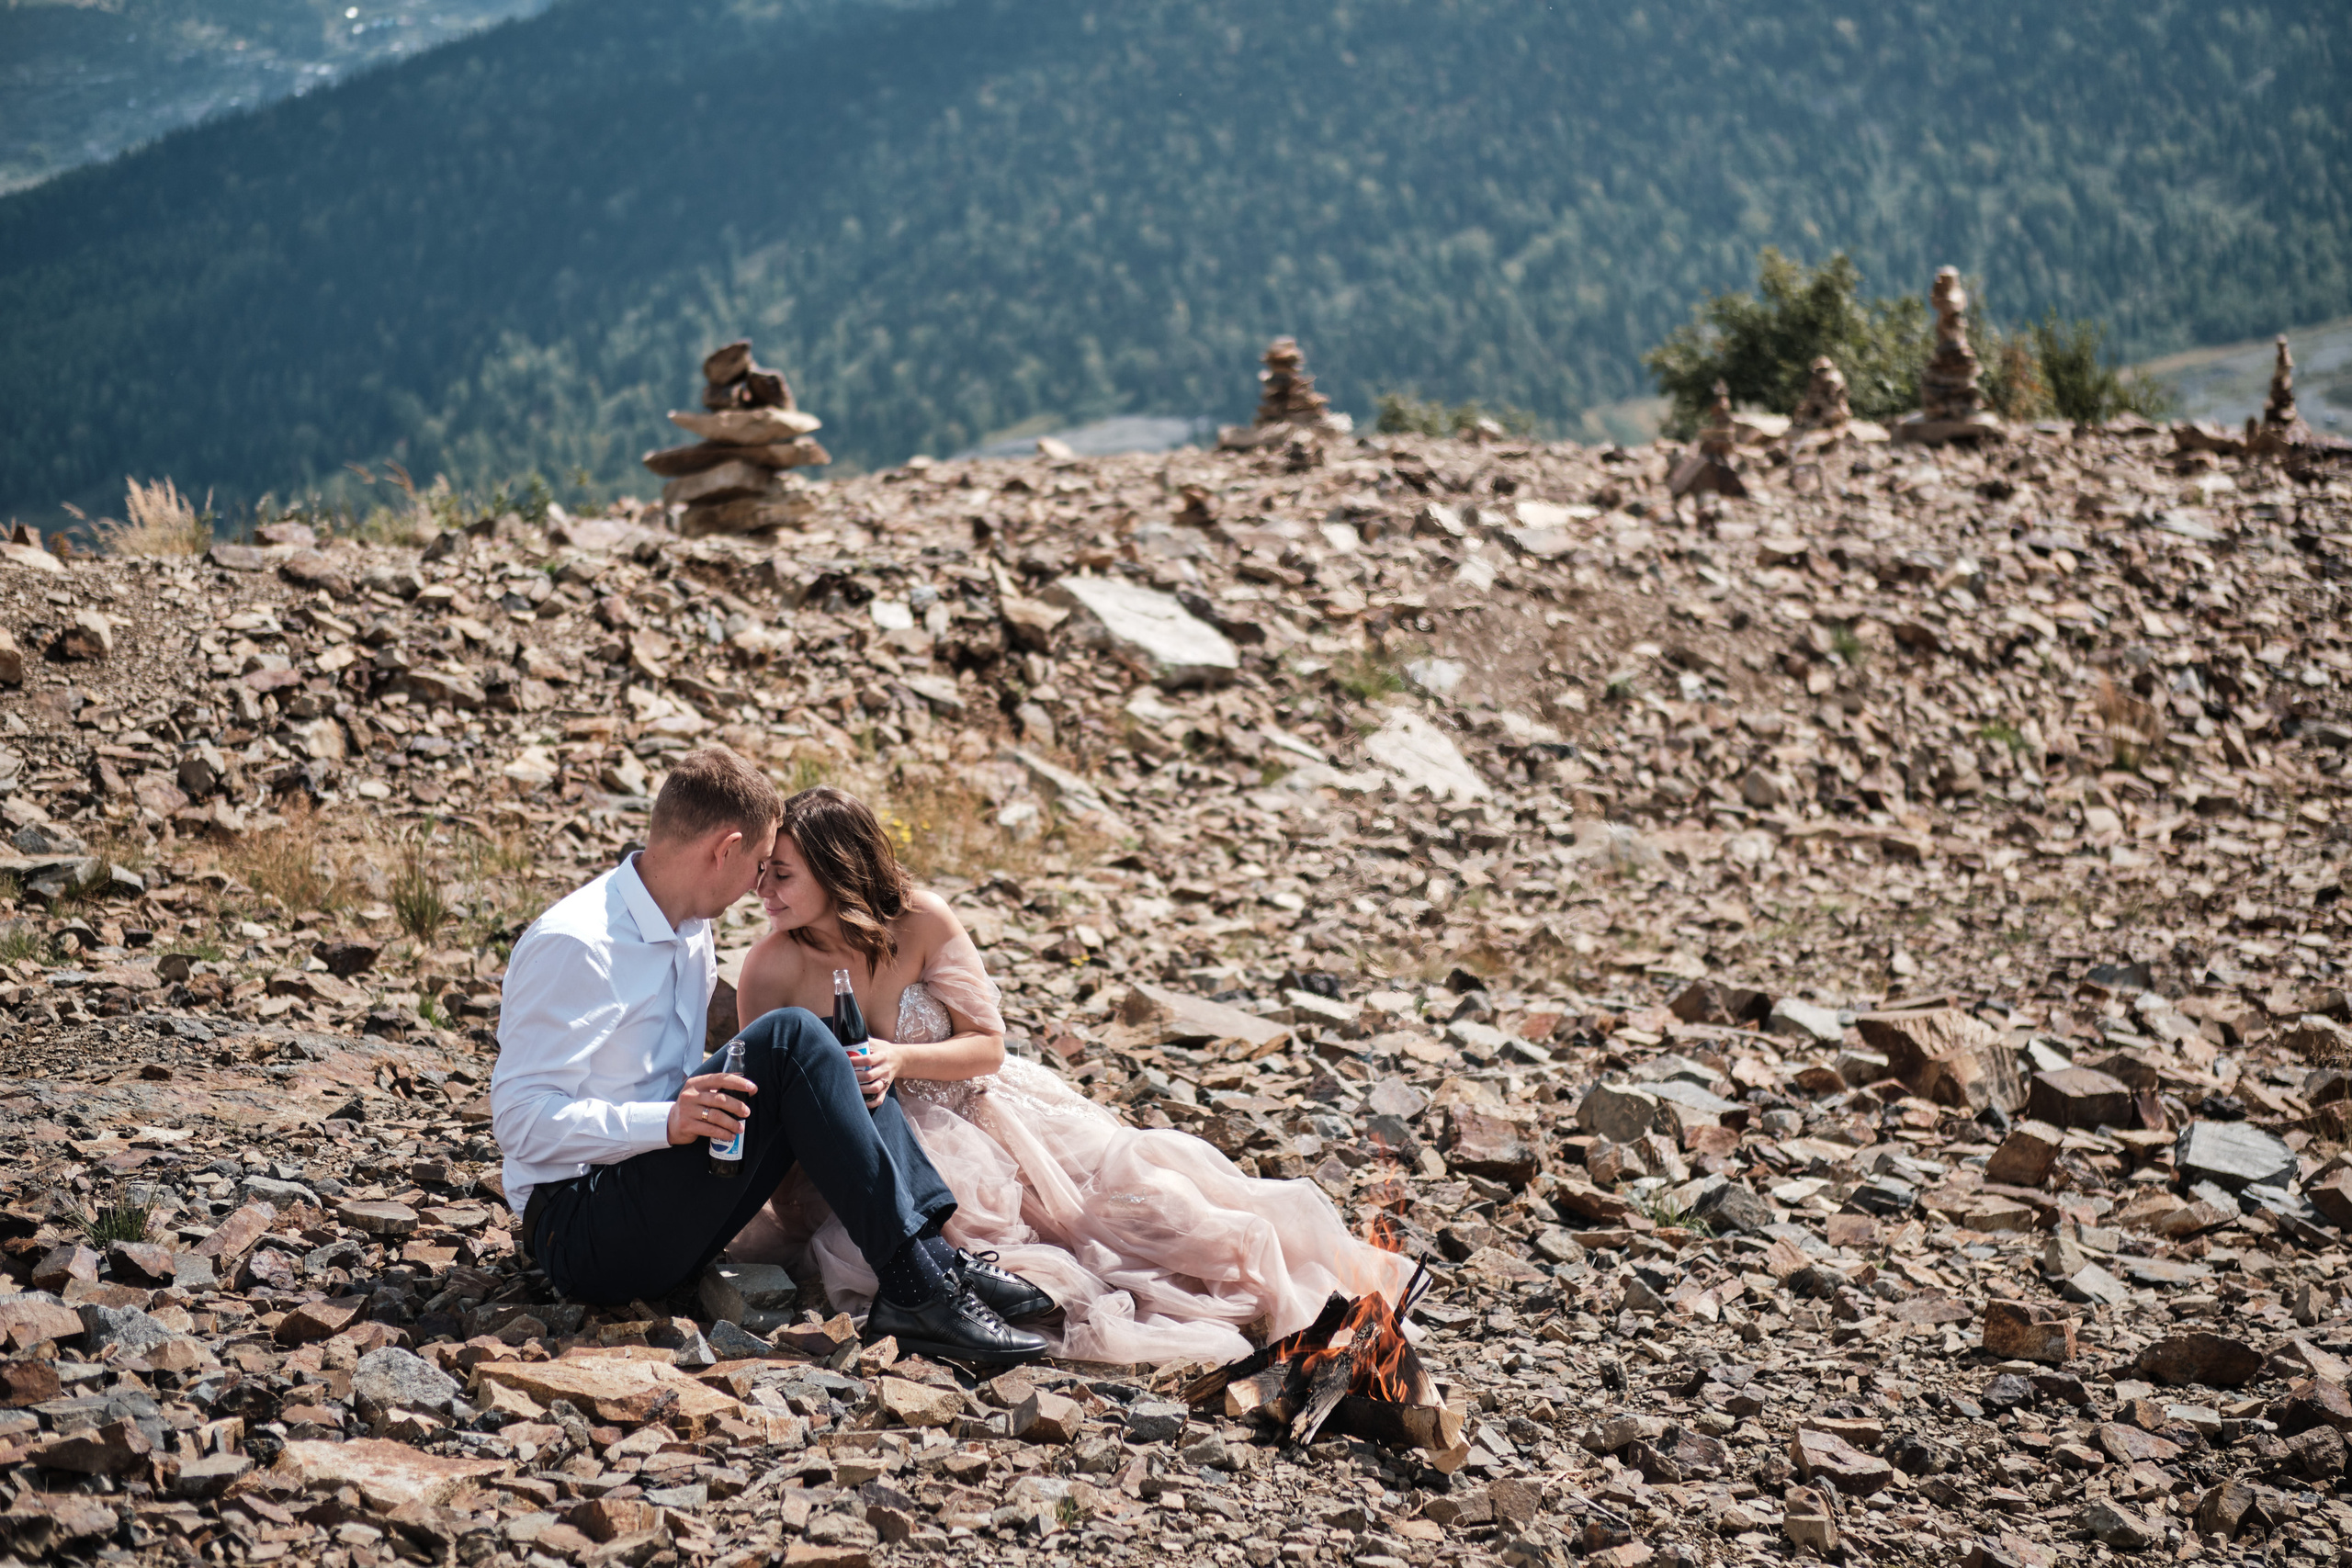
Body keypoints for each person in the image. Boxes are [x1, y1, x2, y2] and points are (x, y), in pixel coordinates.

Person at [729, 784, 1413, 1364]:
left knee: (1145, 1210)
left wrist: (902, 1057)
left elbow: (987, 1046)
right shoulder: (770, 968)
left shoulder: (921, 918)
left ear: (834, 869)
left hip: (985, 1112)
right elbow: (776, 1102)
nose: (762, 890)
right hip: (882, 1152)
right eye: (763, 872)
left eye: (781, 873)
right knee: (1000, 1255)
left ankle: (1339, 1291)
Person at [490, 747, 1052, 1365]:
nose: (759, 885)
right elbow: (518, 1121)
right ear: (724, 848)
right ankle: (918, 1288)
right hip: (583, 1228)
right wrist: (667, 1121)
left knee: (839, 1049)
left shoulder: (688, 929)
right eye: (760, 862)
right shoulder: (578, 942)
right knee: (791, 1035)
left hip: (658, 1187)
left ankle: (937, 1266)